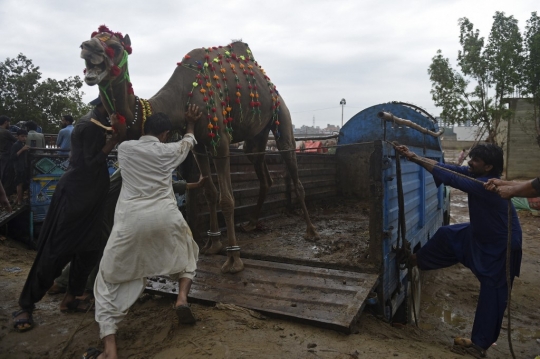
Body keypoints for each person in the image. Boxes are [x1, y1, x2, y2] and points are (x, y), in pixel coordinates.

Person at [85, 106, 201, 359]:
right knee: (189, 253)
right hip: (166, 217)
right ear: (164, 134)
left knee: (107, 280)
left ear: (145, 130)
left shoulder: (125, 149)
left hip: (130, 222)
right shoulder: (170, 150)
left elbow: (122, 137)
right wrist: (191, 123)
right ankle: (181, 297)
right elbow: (188, 142)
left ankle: (110, 349)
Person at [394, 143, 522, 358]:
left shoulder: (485, 185)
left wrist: (416, 158)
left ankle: (479, 345)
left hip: (502, 245)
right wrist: (414, 156)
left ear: (488, 166)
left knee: (493, 293)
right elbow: (448, 169)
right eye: (471, 158)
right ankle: (416, 260)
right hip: (480, 233)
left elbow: (452, 178)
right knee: (447, 235)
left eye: (475, 161)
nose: (470, 162)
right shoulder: (479, 175)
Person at [12, 97, 126, 332]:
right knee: (56, 251)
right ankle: (27, 304)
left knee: (90, 249)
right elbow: (87, 163)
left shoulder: (100, 122)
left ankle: (72, 297)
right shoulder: (89, 126)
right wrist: (113, 142)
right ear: (107, 103)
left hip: (92, 198)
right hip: (76, 196)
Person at [10, 129, 30, 206]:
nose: (24, 138)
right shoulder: (16, 145)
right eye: (22, 136)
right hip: (18, 167)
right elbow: (12, 157)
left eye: (25, 136)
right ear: (17, 137)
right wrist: (22, 150)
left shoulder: (22, 144)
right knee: (19, 184)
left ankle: (18, 199)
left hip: (23, 166)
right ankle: (19, 201)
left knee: (22, 183)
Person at [0, 115, 17, 195]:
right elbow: (16, 141)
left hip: (1, 155)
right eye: (9, 122)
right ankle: (6, 194)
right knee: (8, 175)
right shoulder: (6, 132)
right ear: (6, 122)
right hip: (7, 156)